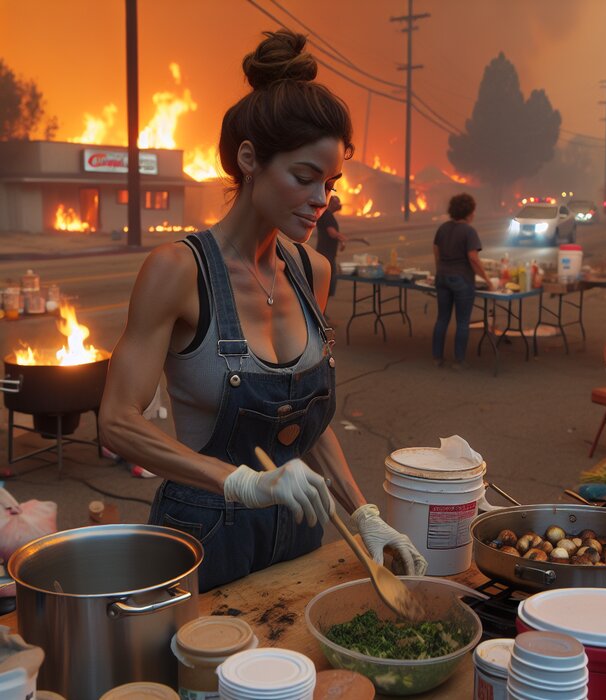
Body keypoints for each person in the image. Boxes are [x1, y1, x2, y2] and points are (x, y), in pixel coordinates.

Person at [99, 30, 427, 593]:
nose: (322, 198)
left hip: (300, 537)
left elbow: (306, 423)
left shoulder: (312, 272)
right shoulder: (178, 271)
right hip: (202, 537)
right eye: (304, 177)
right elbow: (118, 422)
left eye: (330, 182)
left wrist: (364, 514)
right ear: (249, 158)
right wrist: (242, 485)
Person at [432, 193, 494, 369]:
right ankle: (459, 360)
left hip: (442, 278)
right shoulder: (469, 231)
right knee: (462, 321)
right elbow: (473, 259)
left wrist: (440, 271)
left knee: (442, 318)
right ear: (469, 212)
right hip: (461, 280)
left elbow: (436, 251)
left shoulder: (443, 228)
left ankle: (437, 357)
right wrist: (487, 280)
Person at [314, 194, 346, 324]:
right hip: (325, 257)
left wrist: (340, 241)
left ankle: (322, 314)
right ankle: (320, 316)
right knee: (325, 287)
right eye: (336, 202)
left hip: (327, 255)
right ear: (330, 203)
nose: (339, 205)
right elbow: (331, 233)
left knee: (326, 287)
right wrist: (341, 237)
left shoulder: (327, 215)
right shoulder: (326, 215)